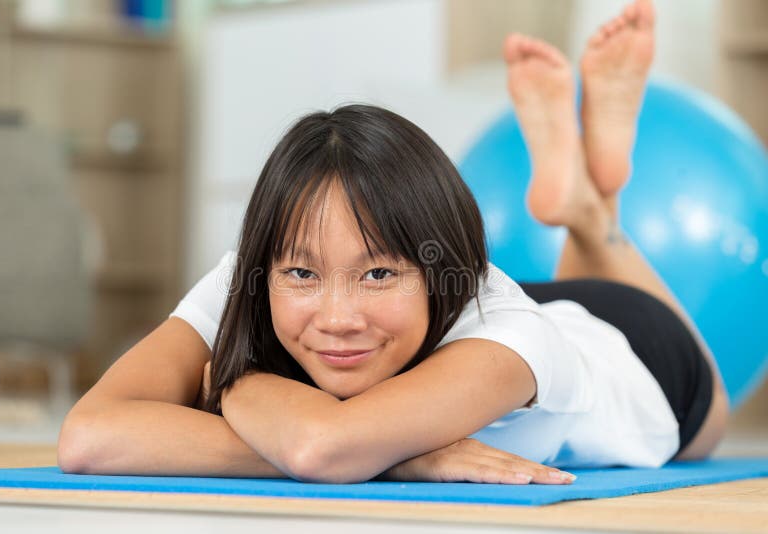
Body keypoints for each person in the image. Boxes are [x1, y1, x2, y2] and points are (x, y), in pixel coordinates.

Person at [58, 0, 728, 484]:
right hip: (459, 320)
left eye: (376, 274)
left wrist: (235, 385)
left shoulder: (510, 340)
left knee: (709, 428)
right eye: (302, 275)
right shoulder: (257, 270)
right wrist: (404, 455)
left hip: (634, 352)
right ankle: (583, 199)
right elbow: (90, 436)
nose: (337, 317)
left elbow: (323, 449)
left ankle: (595, 212)